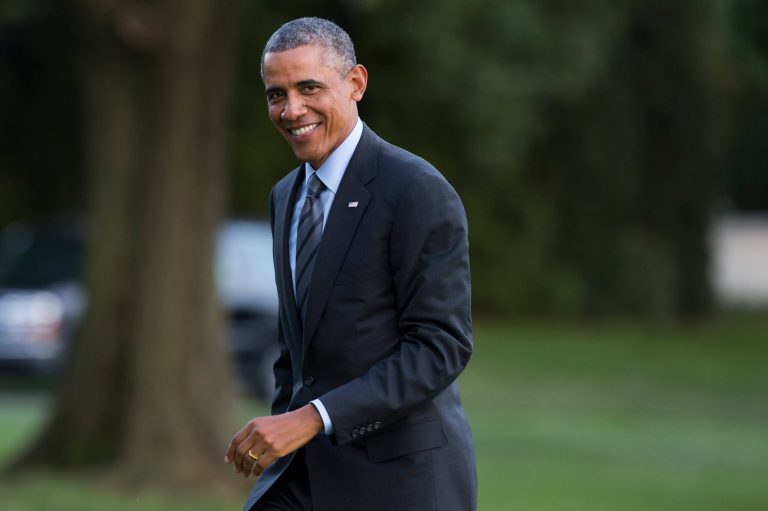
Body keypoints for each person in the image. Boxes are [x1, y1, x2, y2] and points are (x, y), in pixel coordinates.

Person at [224, 17, 477, 511]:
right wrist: (284, 426)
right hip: (301, 479)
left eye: (309, 87)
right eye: (276, 94)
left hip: (400, 481)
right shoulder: (285, 196)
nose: (291, 109)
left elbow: (440, 347)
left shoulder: (415, 190)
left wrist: (312, 418)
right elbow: (296, 352)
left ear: (355, 83)